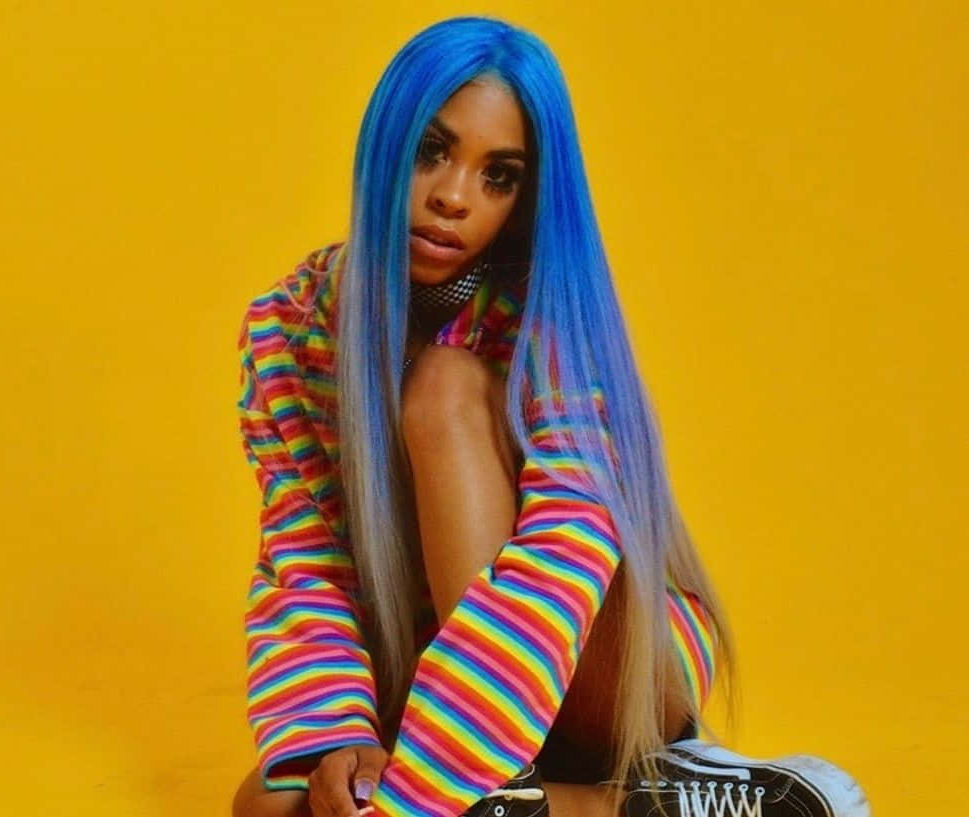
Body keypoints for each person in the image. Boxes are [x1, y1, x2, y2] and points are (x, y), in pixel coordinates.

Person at [230, 15, 870, 817]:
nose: (454, 197)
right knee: (272, 804)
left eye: (498, 176)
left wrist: (419, 795)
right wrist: (340, 738)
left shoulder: (553, 320)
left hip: (610, 667)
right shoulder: (288, 328)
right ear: (385, 143)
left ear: (527, 195)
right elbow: (307, 560)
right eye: (431, 151)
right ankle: (630, 803)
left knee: (444, 389)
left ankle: (563, 784)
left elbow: (562, 558)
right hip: (448, 686)